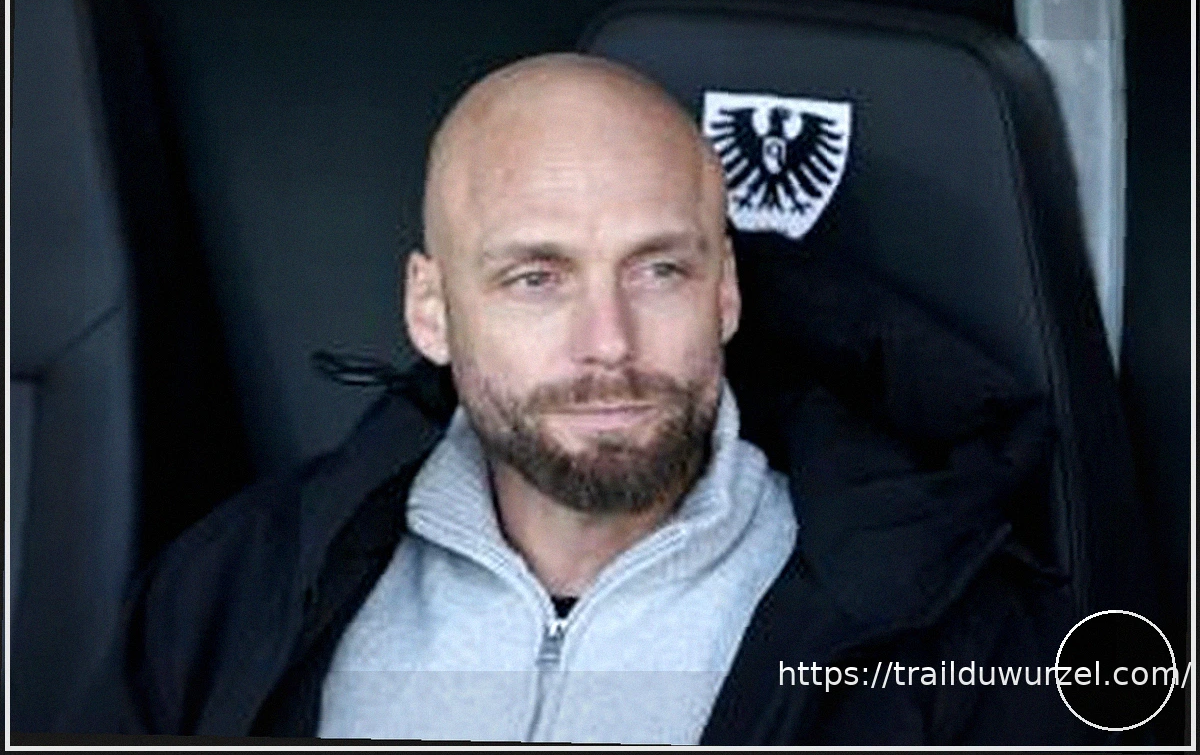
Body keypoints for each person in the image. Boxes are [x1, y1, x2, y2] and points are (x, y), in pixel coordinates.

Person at [67, 53, 1104, 744]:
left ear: (726, 292)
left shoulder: (954, 636)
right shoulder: (233, 588)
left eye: (659, 270)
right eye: (536, 277)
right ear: (431, 309)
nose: (608, 343)